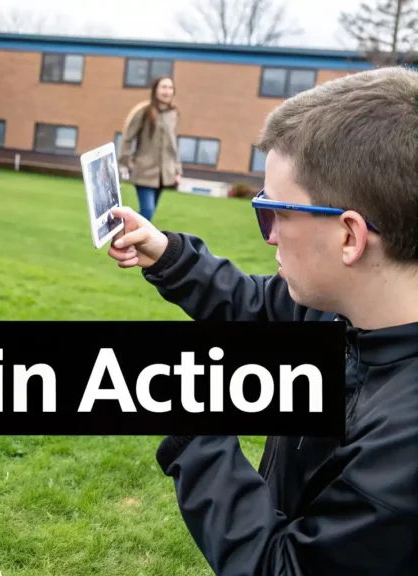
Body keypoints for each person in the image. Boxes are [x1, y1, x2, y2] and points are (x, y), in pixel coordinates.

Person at [108, 66, 418, 574]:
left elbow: (281, 568)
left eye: (276, 212)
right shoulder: (343, 309)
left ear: (349, 237)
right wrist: (167, 255)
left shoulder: (403, 449)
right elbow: (258, 306)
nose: (270, 234)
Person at [117, 76, 181, 222]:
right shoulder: (143, 111)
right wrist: (126, 163)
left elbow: (173, 145)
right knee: (148, 211)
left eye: (170, 88)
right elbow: (127, 138)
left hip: (163, 174)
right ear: (155, 90)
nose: (167, 91)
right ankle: (126, 232)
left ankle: (130, 232)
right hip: (144, 171)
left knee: (147, 215)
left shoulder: (173, 114)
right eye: (163, 87)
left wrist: (177, 170)